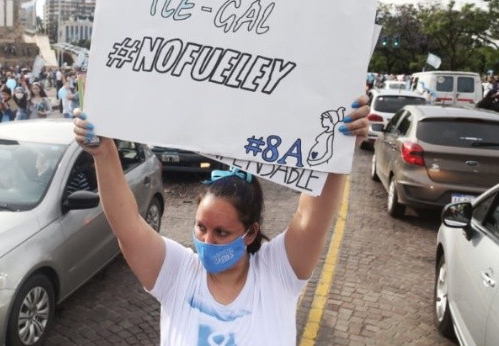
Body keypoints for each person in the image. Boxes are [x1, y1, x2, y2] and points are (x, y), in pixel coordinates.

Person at [71, 96, 370, 345]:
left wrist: (339, 151)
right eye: (201, 227)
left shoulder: (279, 272)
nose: (206, 241)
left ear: (250, 232)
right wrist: (103, 152)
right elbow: (127, 224)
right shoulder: (177, 272)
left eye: (222, 232)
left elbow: (310, 217)